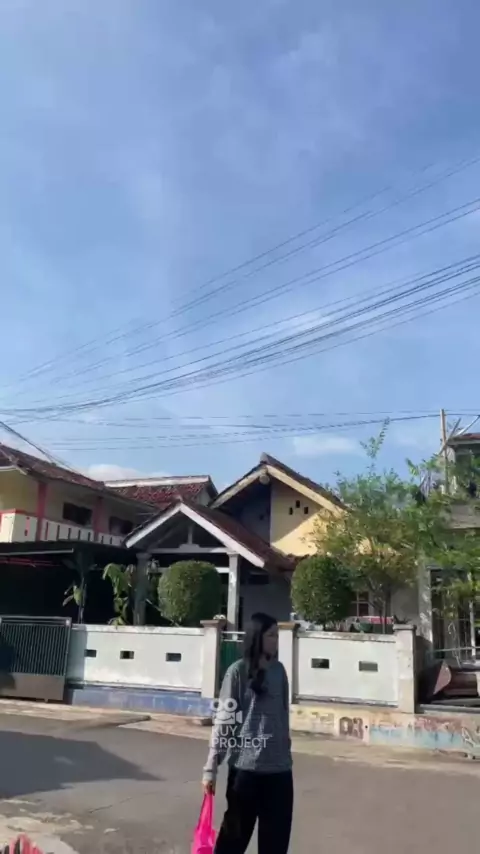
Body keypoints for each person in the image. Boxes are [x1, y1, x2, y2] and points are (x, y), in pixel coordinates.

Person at [202, 612, 293, 854]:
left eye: (277, 635)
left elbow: (284, 715)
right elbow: (224, 723)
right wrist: (211, 768)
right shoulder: (237, 672)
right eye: (271, 635)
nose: (276, 640)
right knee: (232, 844)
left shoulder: (280, 671)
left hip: (279, 773)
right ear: (257, 637)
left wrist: (285, 748)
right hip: (246, 772)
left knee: (275, 846)